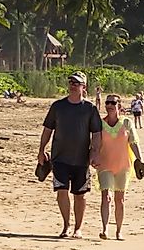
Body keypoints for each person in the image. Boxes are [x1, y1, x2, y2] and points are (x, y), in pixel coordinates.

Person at [38, 72, 99, 238]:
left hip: (81, 160)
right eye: (71, 82)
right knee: (62, 191)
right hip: (59, 158)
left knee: (80, 195)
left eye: (76, 83)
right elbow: (48, 129)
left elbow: (97, 133)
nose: (72, 85)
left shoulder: (90, 109)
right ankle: (66, 226)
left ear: (83, 87)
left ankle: (78, 228)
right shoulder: (57, 106)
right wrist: (41, 150)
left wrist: (94, 153)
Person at [92, 92, 144, 239]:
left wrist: (140, 160)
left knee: (119, 199)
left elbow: (133, 142)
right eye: (107, 103)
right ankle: (105, 229)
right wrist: (93, 157)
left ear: (119, 106)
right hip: (105, 165)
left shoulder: (127, 123)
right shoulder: (100, 123)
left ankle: (119, 230)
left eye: (112, 103)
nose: (109, 105)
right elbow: (95, 144)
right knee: (106, 196)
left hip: (123, 166)